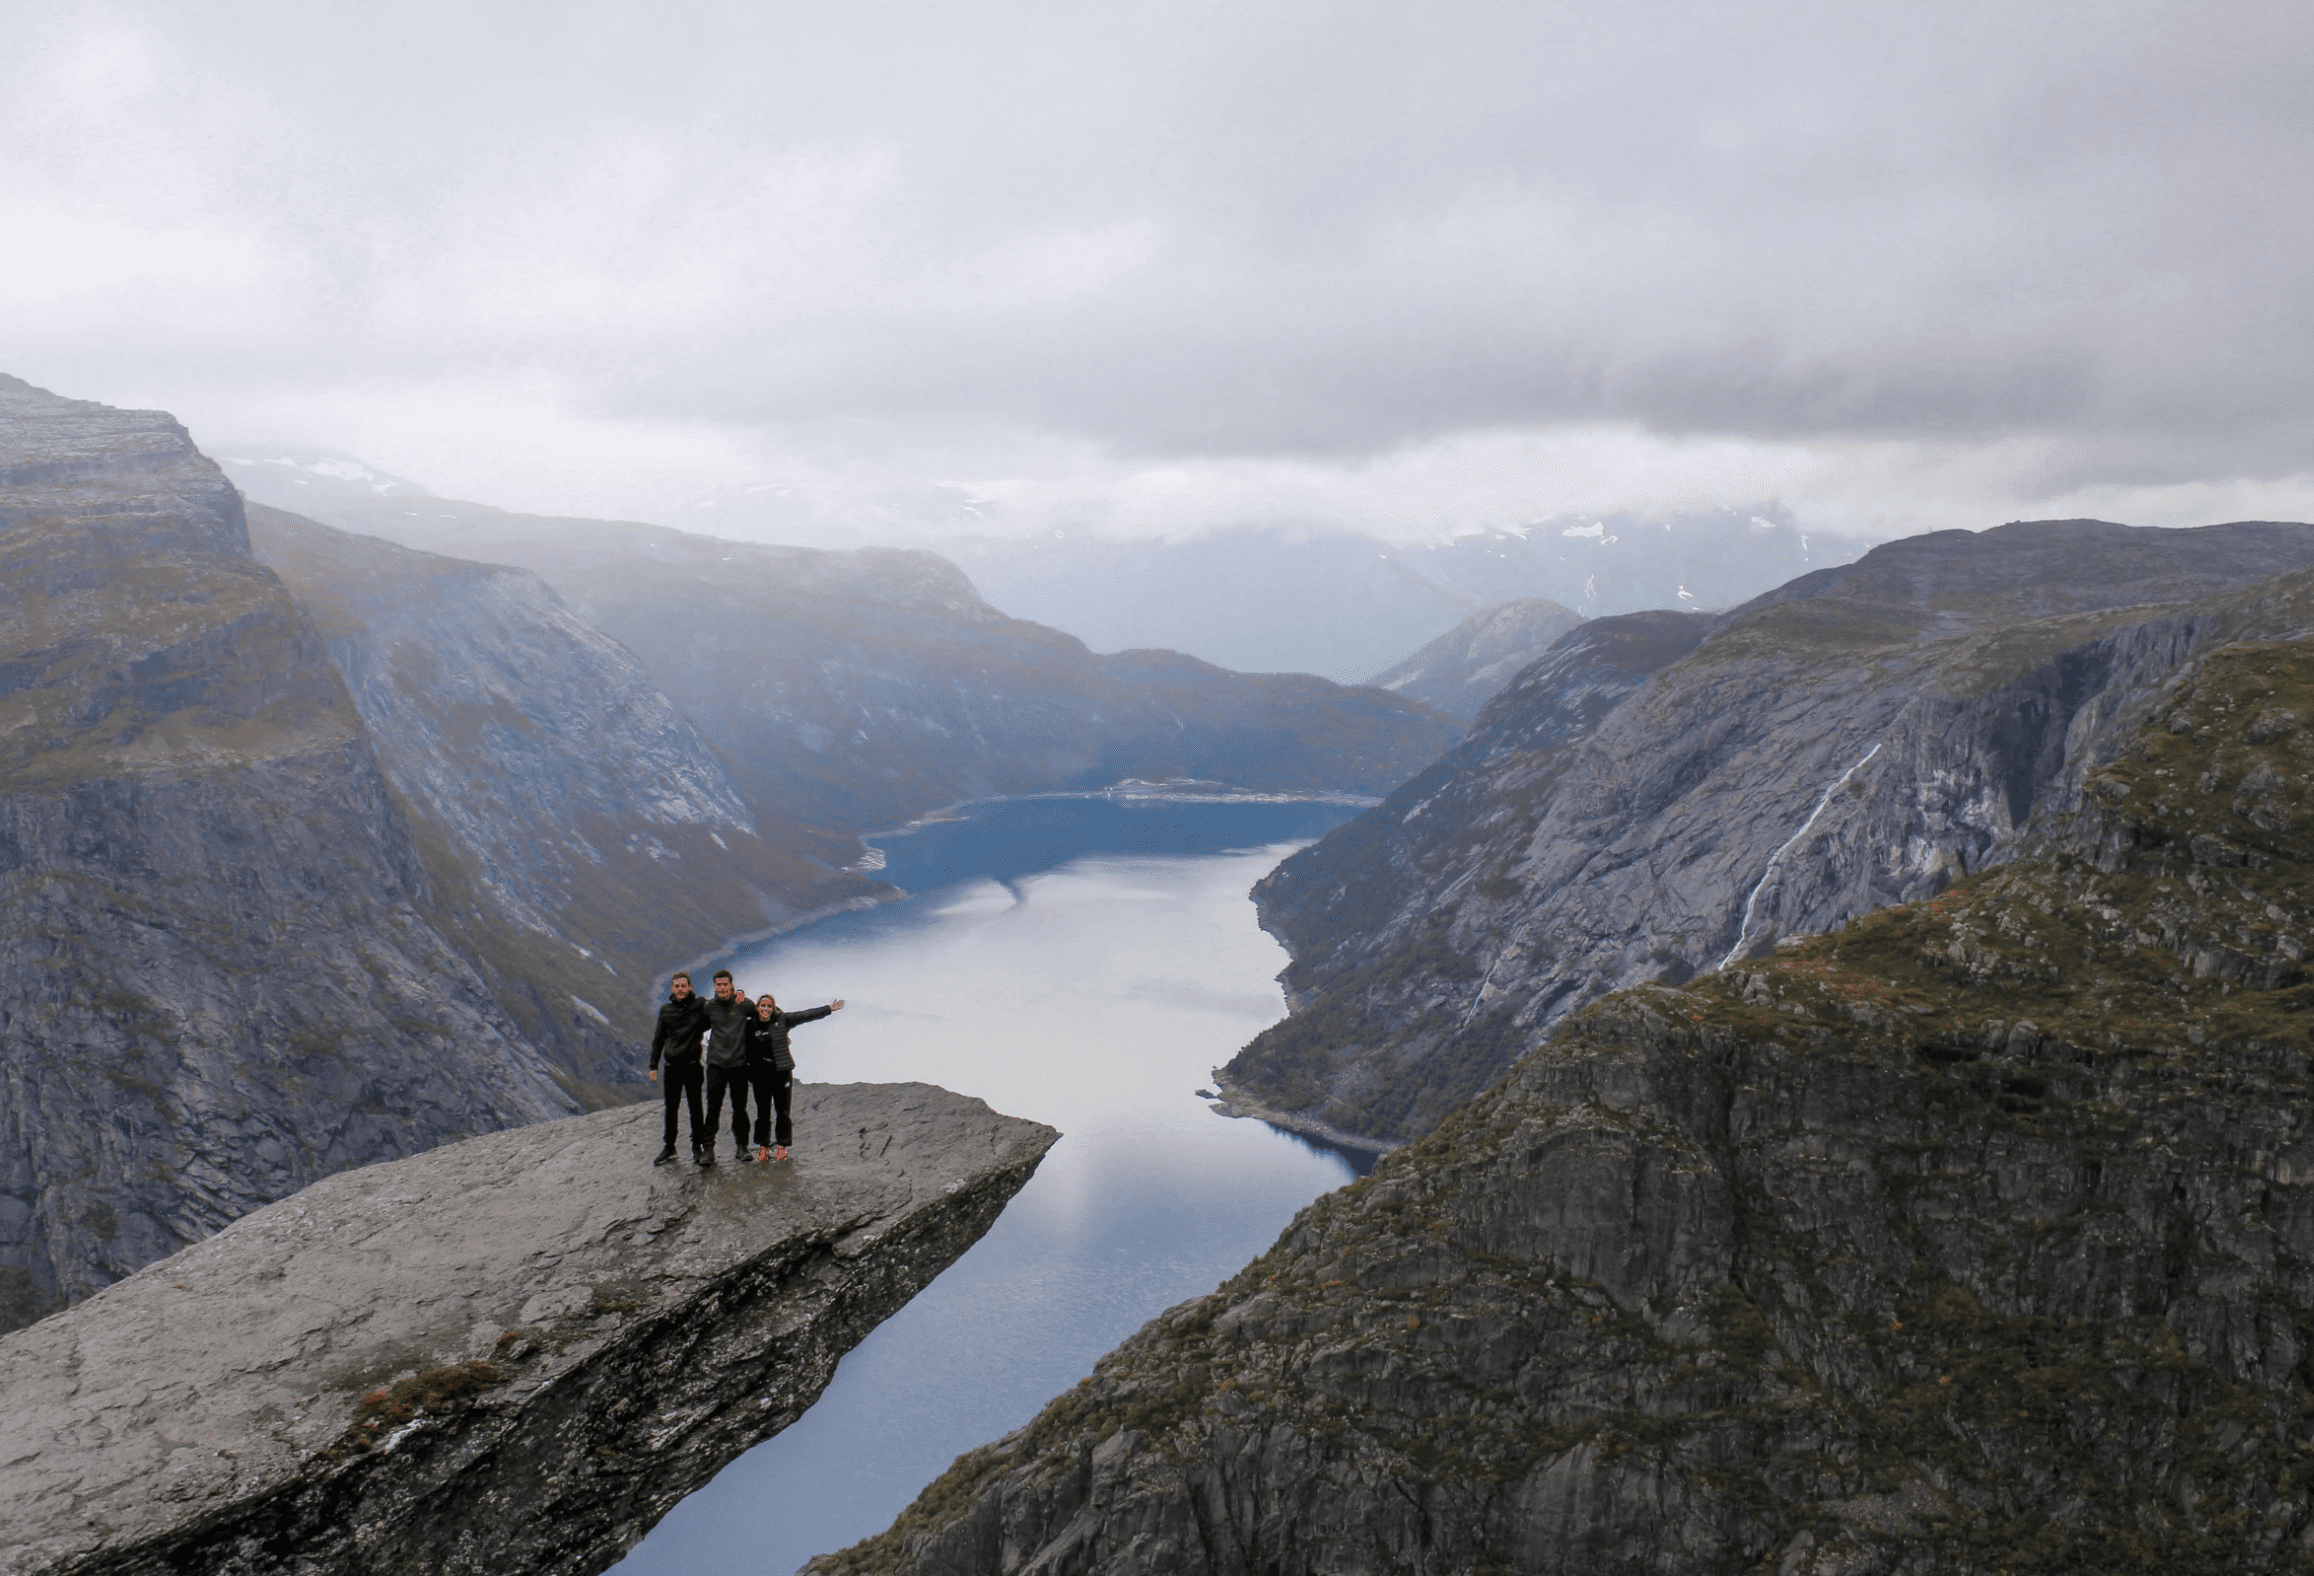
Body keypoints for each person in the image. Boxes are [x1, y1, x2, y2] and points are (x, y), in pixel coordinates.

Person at [743, 991, 845, 1162]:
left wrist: (828, 1009)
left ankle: (782, 1146)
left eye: (769, 1006)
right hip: (760, 1074)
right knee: (762, 1112)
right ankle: (763, 1146)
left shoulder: (782, 1020)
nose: (766, 1009)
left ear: (773, 1008)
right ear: (758, 1007)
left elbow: (805, 1015)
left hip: (781, 1073)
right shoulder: (750, 1025)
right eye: (763, 1006)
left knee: (782, 1112)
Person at [647, 971, 711, 1165]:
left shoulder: (700, 1005)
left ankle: (697, 1147)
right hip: (672, 1068)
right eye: (677, 986)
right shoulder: (666, 1011)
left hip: (692, 1066)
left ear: (689, 987)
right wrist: (653, 1065)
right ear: (672, 989)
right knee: (671, 1108)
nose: (681, 989)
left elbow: (718, 1011)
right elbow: (658, 1039)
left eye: (684, 986)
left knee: (695, 1108)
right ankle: (669, 1148)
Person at [697, 969, 758, 1167]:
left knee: (739, 1108)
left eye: (725, 985)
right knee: (713, 1109)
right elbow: (697, 1026)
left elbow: (765, 1015)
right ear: (715, 986)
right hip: (716, 1065)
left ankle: (742, 1147)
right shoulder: (709, 1007)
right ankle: (708, 1150)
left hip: (739, 1064)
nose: (722, 988)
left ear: (731, 986)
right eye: (719, 985)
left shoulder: (743, 1004)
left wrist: (782, 1034)